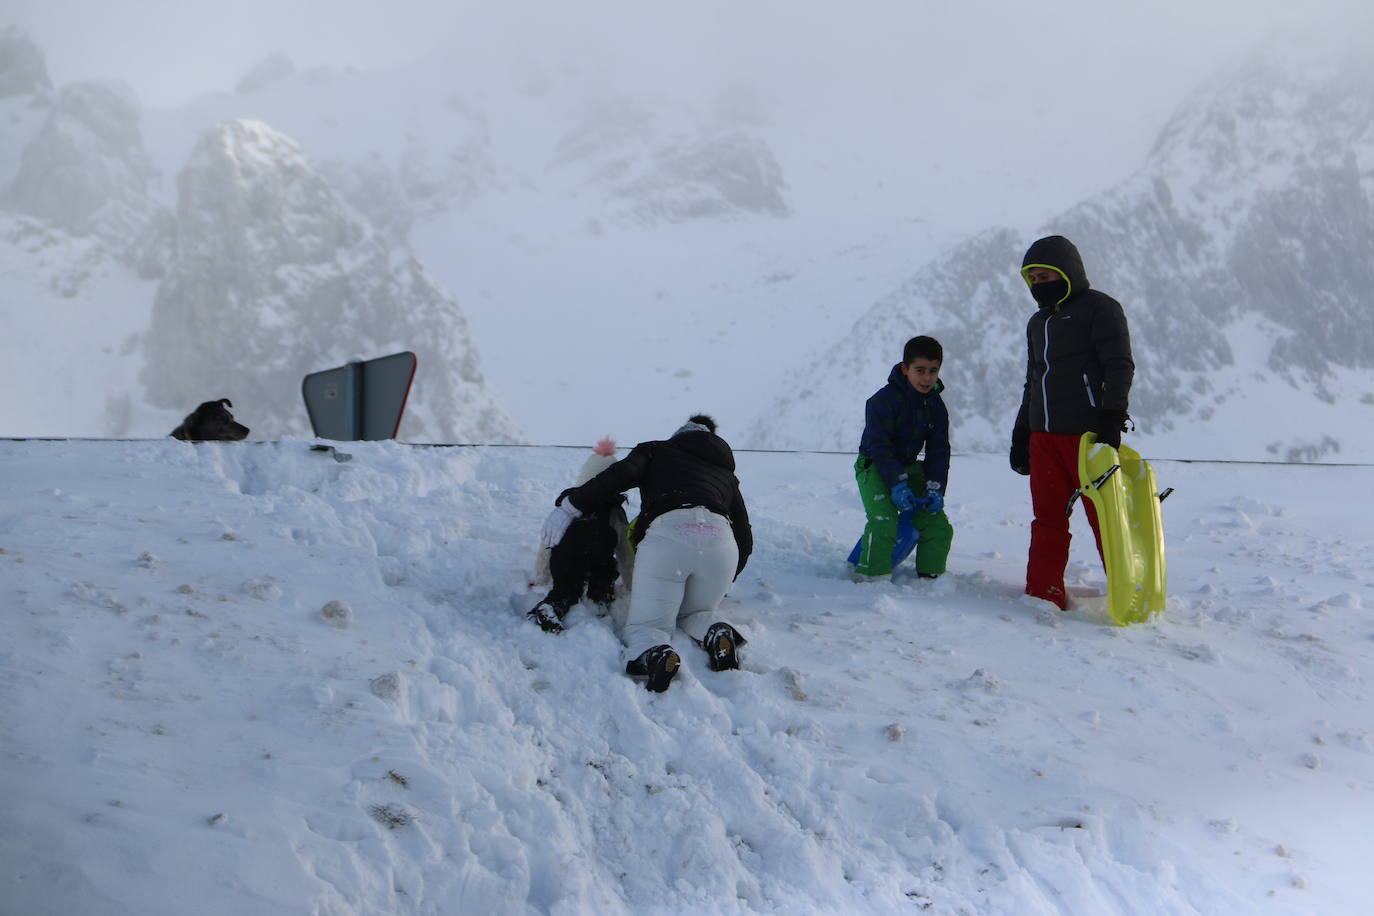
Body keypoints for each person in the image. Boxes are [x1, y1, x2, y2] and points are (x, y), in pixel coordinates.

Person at [540, 414, 752, 692]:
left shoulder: (657, 449)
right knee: (695, 612)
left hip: (670, 535)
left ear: (680, 434)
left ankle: (656, 653)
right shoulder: (726, 475)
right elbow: (744, 537)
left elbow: (614, 478)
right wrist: (724, 579)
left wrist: (571, 505)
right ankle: (716, 632)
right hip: (721, 545)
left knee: (649, 625)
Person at [1009, 234, 1135, 610]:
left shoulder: (1101, 309)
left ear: (1068, 273)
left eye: (1045, 276)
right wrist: (1022, 433)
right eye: (1032, 279)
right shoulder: (1037, 323)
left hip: (1087, 436)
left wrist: (1112, 416)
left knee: (1106, 518)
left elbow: (1119, 364)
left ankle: (1129, 590)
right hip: (1044, 438)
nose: (1038, 285)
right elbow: (1034, 380)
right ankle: (1043, 593)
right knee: (1047, 518)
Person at [851, 335, 953, 579]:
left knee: (937, 525)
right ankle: (870, 577)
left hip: (908, 466)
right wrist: (897, 484)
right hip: (874, 465)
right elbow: (880, 446)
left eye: (933, 370)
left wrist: (935, 488)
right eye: (920, 370)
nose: (927, 377)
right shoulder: (882, 401)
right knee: (884, 520)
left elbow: (939, 451)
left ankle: (930, 579)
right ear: (905, 369)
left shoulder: (936, 406)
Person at [527, 438, 632, 633]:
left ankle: (552, 606)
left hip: (565, 555)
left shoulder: (568, 504)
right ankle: (599, 602)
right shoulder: (615, 511)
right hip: (598, 559)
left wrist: (540, 574)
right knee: (603, 580)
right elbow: (626, 551)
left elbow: (548, 541)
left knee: (565, 588)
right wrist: (632, 581)